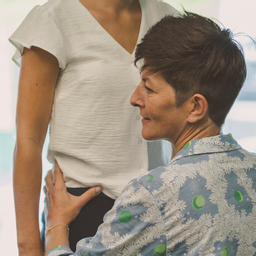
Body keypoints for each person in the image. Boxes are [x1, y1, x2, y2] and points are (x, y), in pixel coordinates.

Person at [43, 11, 256, 256]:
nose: (135, 99)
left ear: (195, 107)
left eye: (149, 88)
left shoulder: (154, 194)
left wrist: (55, 225)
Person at [9, 0, 177, 255]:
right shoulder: (53, 20)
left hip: (158, 203)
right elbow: (28, 139)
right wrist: (29, 248)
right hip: (79, 207)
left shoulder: (168, 18)